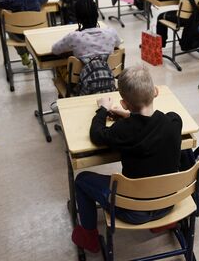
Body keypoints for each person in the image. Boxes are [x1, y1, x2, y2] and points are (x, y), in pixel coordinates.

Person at [71, 64, 183, 253]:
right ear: (155, 92)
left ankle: (89, 236)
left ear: (123, 103)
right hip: (167, 204)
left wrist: (103, 110)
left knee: (82, 180)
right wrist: (129, 116)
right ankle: (163, 223)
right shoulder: (174, 122)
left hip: (133, 212)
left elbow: (97, 135)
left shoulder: (122, 131)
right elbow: (149, 125)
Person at [52, 0, 121, 90]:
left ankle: (67, 95)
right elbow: (118, 43)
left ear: (78, 18)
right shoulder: (111, 33)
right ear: (96, 15)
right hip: (108, 79)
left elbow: (55, 50)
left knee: (59, 66)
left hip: (80, 82)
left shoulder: (74, 37)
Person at [0, 0, 48, 68]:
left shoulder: (10, 1)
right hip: (35, 34)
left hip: (18, 37)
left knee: (10, 30)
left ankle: (23, 54)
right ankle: (37, 53)